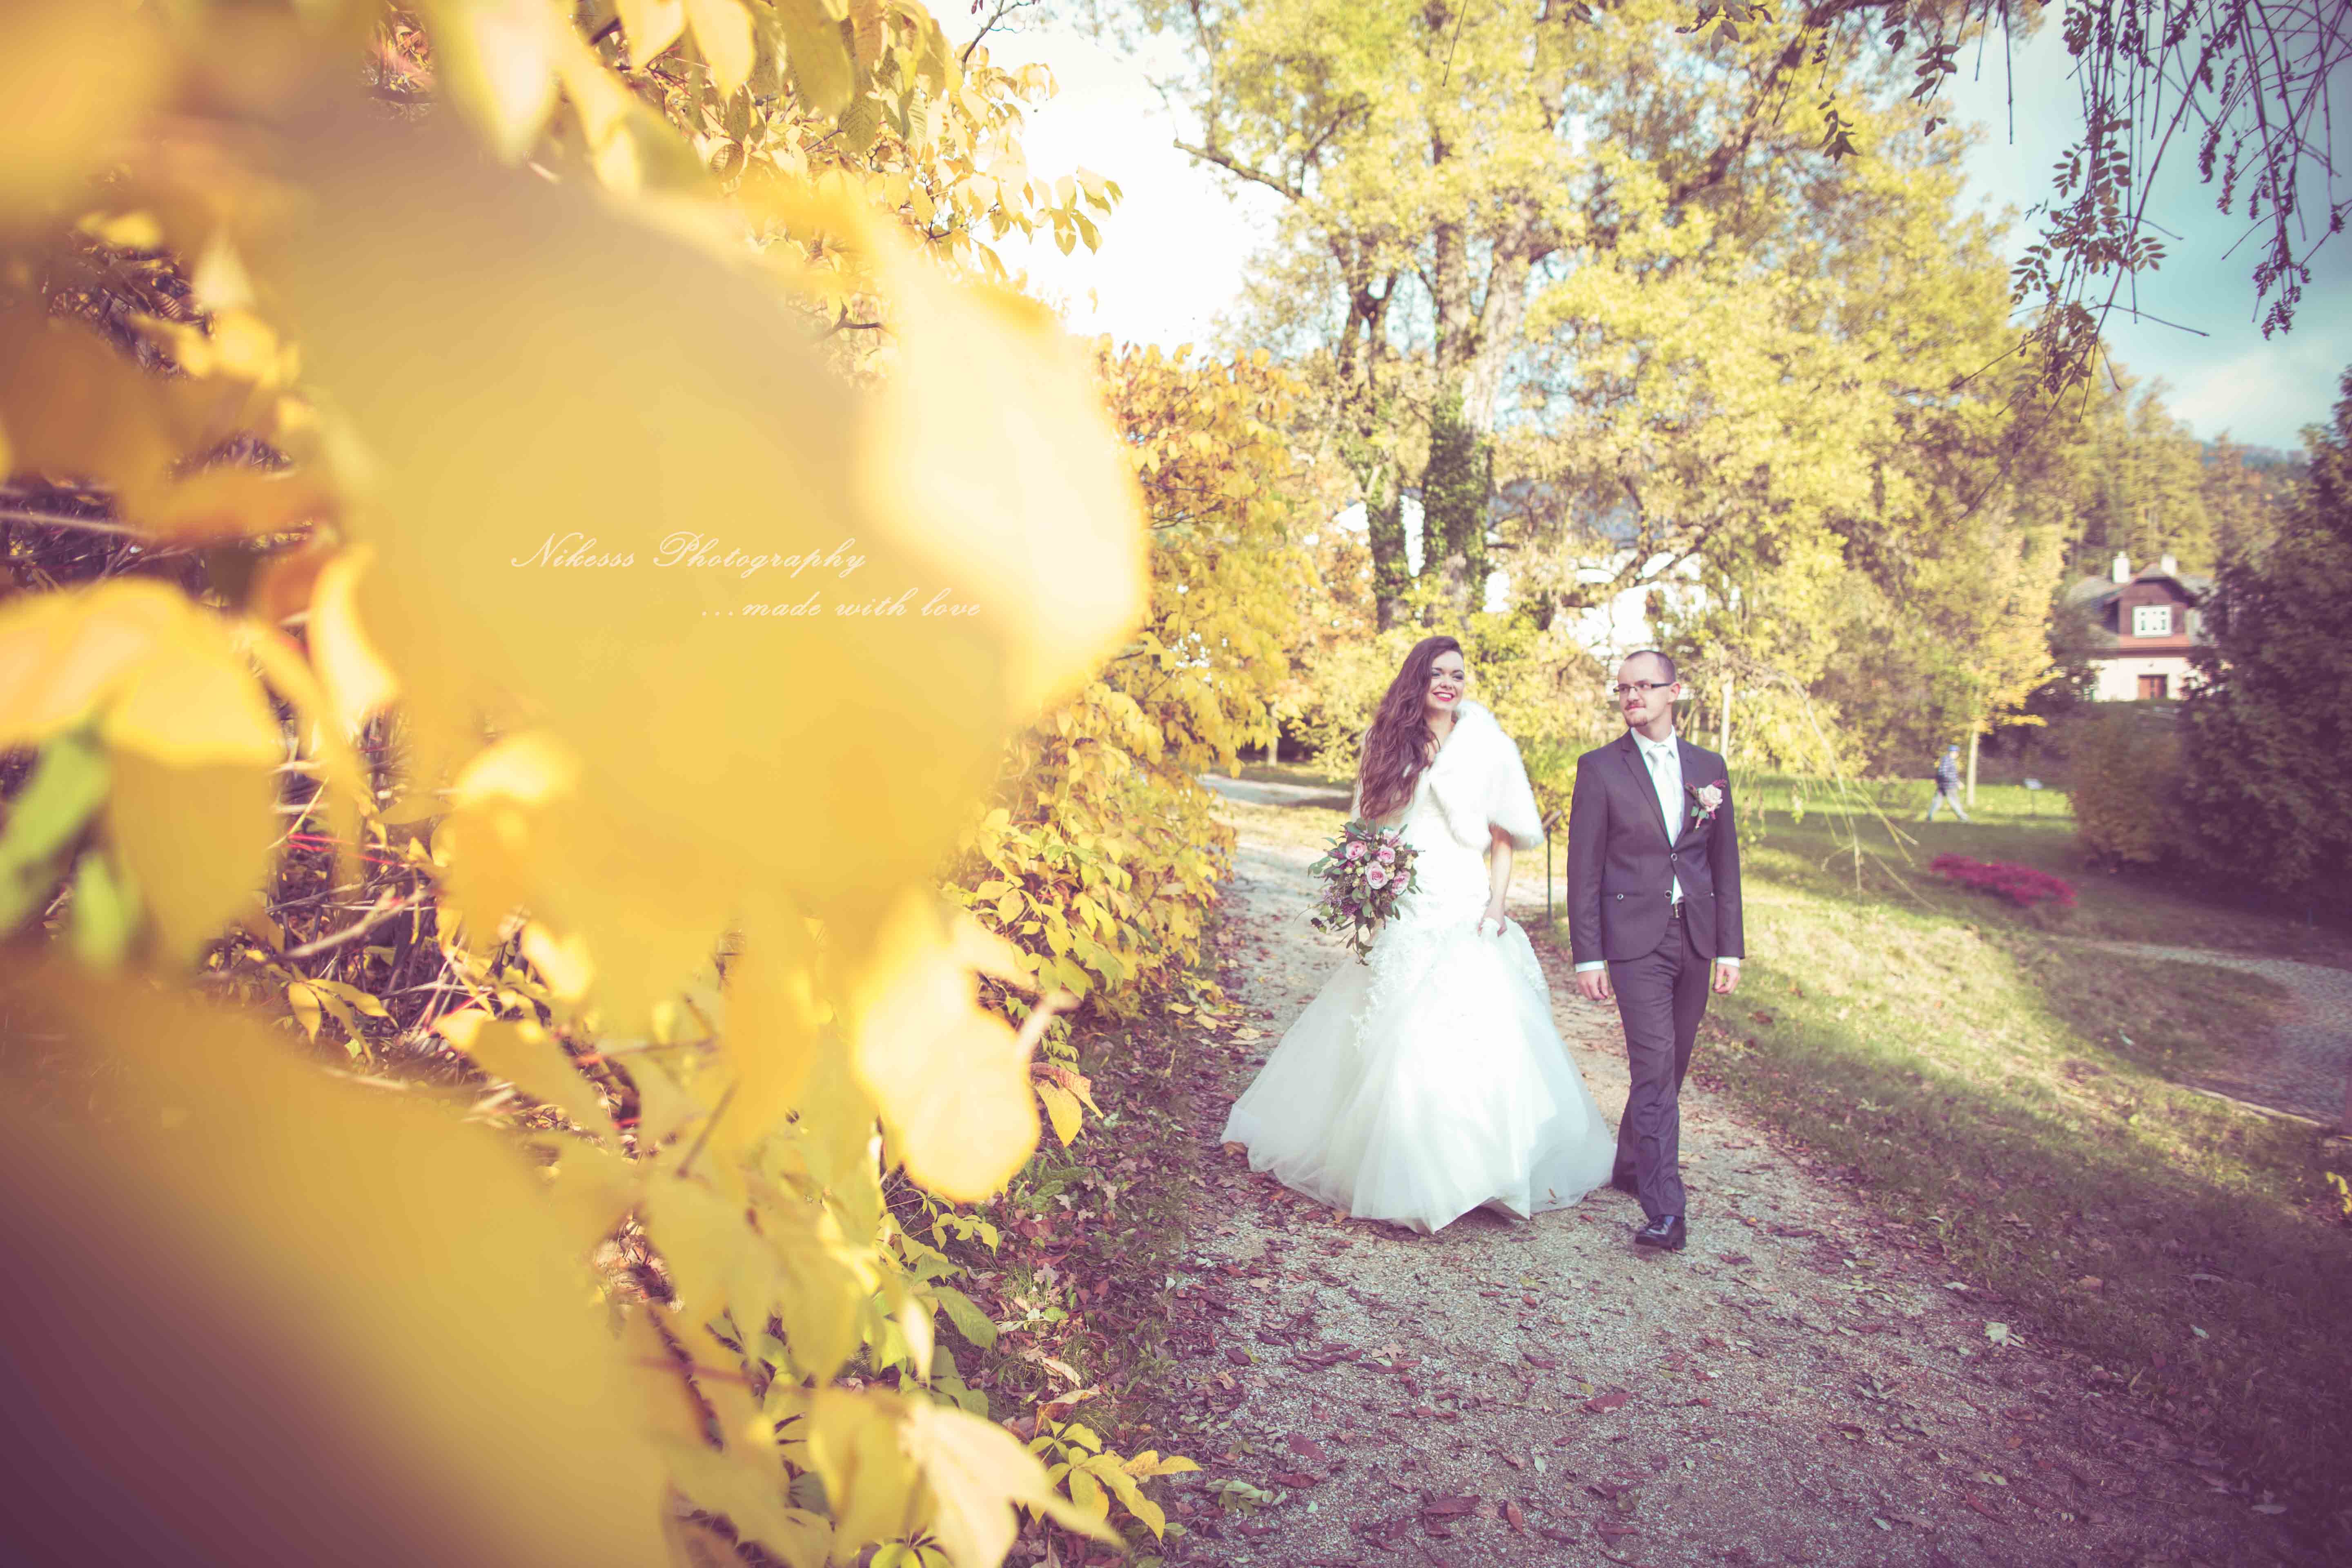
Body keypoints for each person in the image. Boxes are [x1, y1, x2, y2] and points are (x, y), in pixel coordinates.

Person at [1221, 636, 1617, 1234]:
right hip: (1403, 900)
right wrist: (1367, 884)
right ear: (1418, 679)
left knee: (1471, 1031)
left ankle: (1490, 1174)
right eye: (1437, 673)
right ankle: (1407, 1173)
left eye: (1458, 674)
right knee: (1392, 1028)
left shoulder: (1487, 744)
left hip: (1463, 901)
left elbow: (1504, 838)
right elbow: (1367, 825)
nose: (1449, 684)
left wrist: (1497, 905)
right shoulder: (1386, 740)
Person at [1565, 650, 1745, 1254]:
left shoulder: (1709, 768)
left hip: (1696, 935)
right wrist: (1589, 955)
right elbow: (1584, 869)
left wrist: (1730, 949)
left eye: (1644, 686)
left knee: (1673, 1065)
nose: (1631, 697)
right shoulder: (1600, 769)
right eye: (1623, 688)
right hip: (1634, 940)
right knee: (1654, 1065)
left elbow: (1725, 863)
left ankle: (1631, 1164)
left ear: (1675, 692)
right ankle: (1666, 1209)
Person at [1927, 744, 1969, 822]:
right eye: (1956, 753)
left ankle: (1930, 816)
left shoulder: (1945, 760)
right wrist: (1957, 783)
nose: (1957, 755)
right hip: (1949, 786)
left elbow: (1941, 773)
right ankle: (1963, 818)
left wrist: (1938, 780)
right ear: (1954, 753)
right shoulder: (1948, 761)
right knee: (1955, 802)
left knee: (1937, 801)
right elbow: (1944, 773)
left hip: (1942, 785)